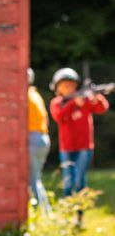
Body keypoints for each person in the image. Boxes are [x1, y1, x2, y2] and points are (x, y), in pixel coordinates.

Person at [49, 67, 109, 227]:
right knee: (68, 183)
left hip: (84, 147)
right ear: (57, 88)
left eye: (72, 85)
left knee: (80, 182)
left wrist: (96, 98)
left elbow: (102, 108)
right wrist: (73, 104)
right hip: (67, 149)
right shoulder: (56, 103)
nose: (69, 88)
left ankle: (79, 218)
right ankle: (68, 215)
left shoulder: (85, 102)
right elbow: (60, 117)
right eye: (65, 85)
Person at [27, 68, 52, 214]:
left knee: (32, 179)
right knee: (36, 178)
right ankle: (47, 212)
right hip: (43, 137)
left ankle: (39, 214)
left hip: (34, 138)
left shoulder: (26, 97)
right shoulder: (35, 94)